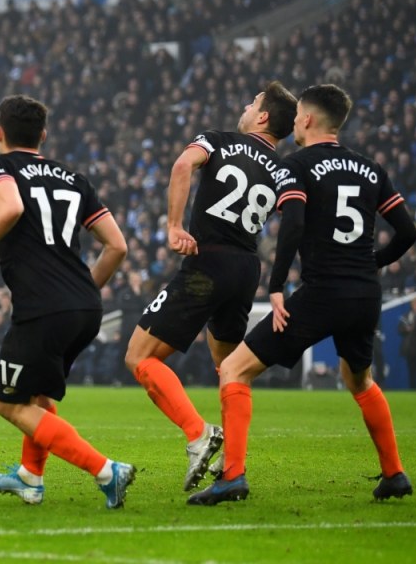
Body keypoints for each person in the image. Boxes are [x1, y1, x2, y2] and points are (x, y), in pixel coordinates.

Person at [189, 84, 416, 505]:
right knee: (359, 379)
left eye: (297, 118)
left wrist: (276, 286)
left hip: (322, 292)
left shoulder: (297, 165)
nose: (293, 123)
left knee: (234, 369)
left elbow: (292, 224)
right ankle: (394, 474)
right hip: (365, 294)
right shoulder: (370, 168)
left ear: (308, 120)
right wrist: (371, 265)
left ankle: (232, 478)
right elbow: (408, 232)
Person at [124, 83, 297, 492]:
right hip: (246, 268)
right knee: (230, 369)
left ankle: (198, 434)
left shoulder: (220, 141)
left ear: (263, 116)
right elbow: (296, 217)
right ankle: (234, 471)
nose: (245, 105)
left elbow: (183, 166)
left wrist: (173, 225)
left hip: (209, 261)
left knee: (139, 357)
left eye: (253, 103)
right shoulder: (284, 169)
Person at [0, 94, 136, 509]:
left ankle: (105, 470)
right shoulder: (73, 178)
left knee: (10, 404)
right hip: (84, 305)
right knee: (38, 397)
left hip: (43, 307)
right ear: (43, 135)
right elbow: (116, 246)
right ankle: (30, 478)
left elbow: (10, 207)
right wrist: (82, 293)